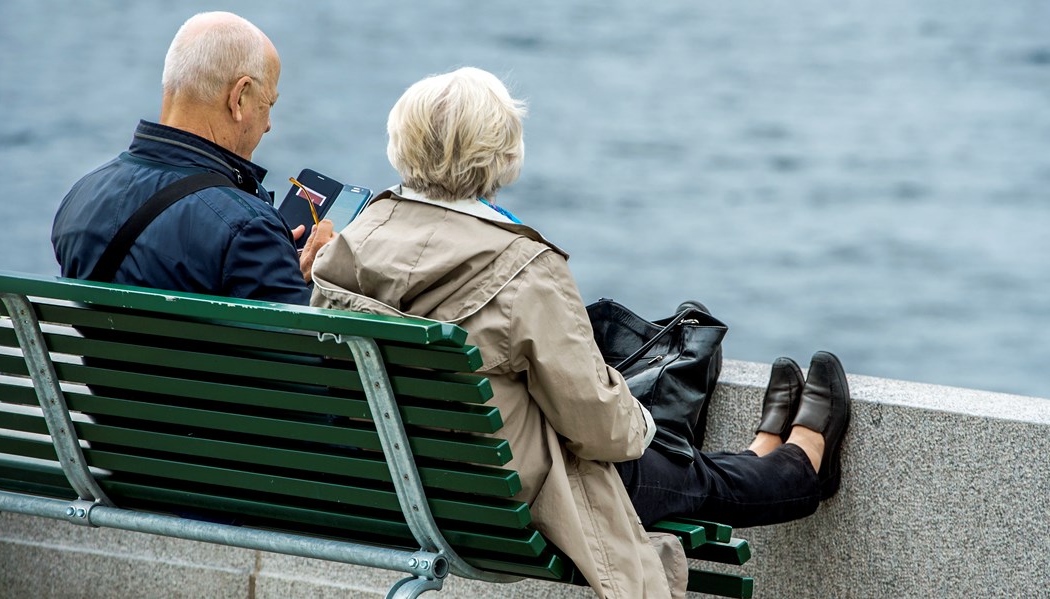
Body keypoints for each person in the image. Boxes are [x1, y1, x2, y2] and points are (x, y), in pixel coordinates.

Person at [309, 67, 852, 598]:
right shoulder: (523, 267)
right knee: (686, 475)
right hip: (510, 497)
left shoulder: (350, 245)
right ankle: (802, 468)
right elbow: (601, 432)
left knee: (664, 454)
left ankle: (761, 451)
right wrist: (641, 419)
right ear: (503, 154)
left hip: (394, 484)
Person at [51, 11, 334, 304]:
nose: (268, 125)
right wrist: (322, 279)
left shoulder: (80, 197)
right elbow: (305, 345)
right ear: (238, 97)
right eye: (268, 104)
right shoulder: (249, 230)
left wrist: (280, 270)